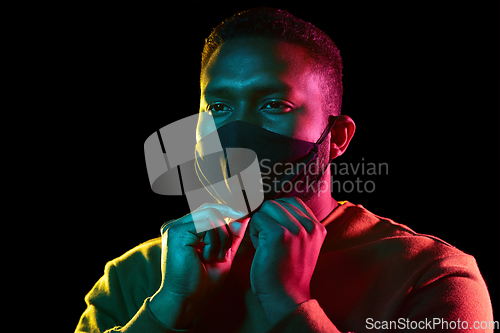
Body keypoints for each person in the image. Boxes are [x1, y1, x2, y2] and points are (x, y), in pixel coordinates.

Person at [76, 7, 494, 333]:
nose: (237, 130)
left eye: (274, 105)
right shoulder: (134, 277)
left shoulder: (429, 276)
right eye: (218, 108)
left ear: (337, 137)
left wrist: (291, 306)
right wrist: (171, 306)